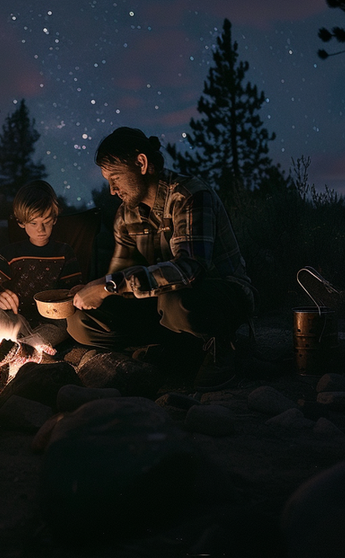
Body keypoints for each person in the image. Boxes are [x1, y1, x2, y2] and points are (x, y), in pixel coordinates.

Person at [68, 127, 255, 391]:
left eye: (116, 178)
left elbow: (189, 271)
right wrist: (94, 289)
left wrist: (110, 285)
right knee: (81, 324)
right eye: (108, 180)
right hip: (160, 304)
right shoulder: (125, 215)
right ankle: (173, 348)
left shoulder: (190, 196)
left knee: (176, 301)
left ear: (142, 164)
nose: (112, 190)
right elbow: (120, 275)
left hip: (215, 295)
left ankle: (221, 348)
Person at [0, 180, 82, 358]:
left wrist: (72, 295)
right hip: (15, 318)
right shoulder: (9, 254)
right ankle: (29, 345)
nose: (41, 229)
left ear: (55, 219)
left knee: (67, 325)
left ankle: (21, 346)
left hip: (51, 322)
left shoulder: (64, 252)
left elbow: (75, 288)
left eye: (47, 222)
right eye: (33, 223)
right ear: (21, 222)